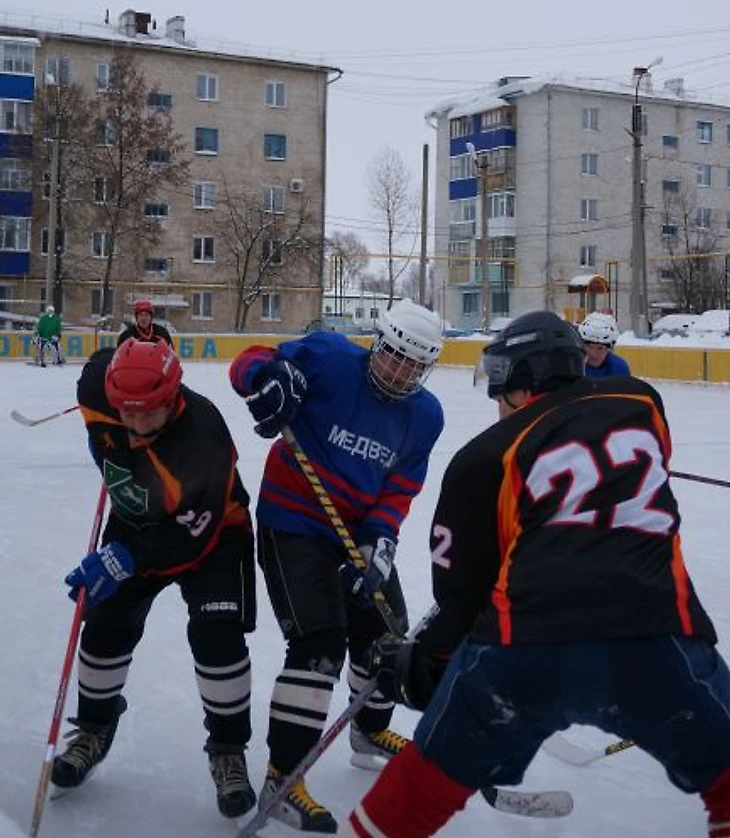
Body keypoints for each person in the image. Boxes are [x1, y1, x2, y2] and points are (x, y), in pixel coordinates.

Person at [337, 310, 730, 838]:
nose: (496, 403)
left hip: (523, 651)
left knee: (408, 800)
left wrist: (423, 661)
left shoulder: (481, 458)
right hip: (658, 635)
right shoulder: (642, 403)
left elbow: (462, 599)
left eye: (499, 388)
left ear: (522, 385)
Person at [229, 299, 445, 833]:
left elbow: (400, 487)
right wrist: (267, 377)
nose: (401, 373)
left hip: (356, 533)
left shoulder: (426, 415)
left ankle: (368, 730)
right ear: (378, 344)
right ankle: (284, 776)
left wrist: (380, 541)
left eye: (414, 366)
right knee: (318, 644)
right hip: (293, 522)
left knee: (388, 637)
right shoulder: (327, 357)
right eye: (394, 358)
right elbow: (247, 362)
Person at [50, 339, 258, 819]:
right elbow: (104, 367)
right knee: (103, 625)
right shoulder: (98, 389)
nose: (138, 426)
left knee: (216, 636)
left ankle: (228, 749)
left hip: (212, 533)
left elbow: (191, 536)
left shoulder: (203, 435)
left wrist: (122, 558)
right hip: (135, 523)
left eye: (150, 415)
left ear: (172, 397)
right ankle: (94, 729)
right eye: (129, 414)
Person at [578, 311, 630, 378]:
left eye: (600, 348)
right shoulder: (572, 366)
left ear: (610, 349)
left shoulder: (619, 369)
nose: (593, 353)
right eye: (589, 347)